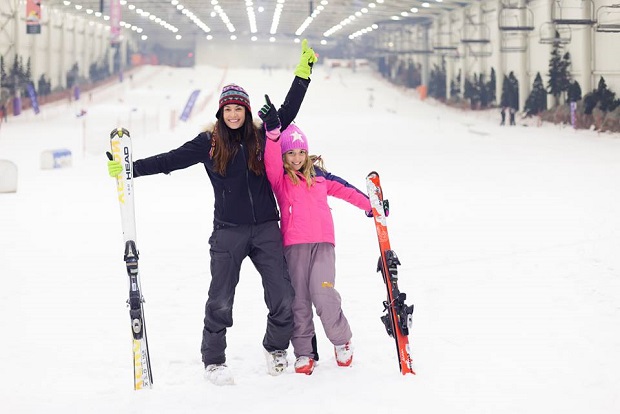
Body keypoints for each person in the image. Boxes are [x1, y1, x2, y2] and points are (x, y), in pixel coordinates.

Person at [107, 39, 318, 385]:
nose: (234, 114)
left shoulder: (261, 137)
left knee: (283, 294)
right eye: (228, 110)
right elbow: (170, 160)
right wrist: (131, 167)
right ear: (220, 113)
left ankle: (276, 346)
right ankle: (214, 359)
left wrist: (303, 75)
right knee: (221, 297)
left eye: (239, 109)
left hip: (266, 227)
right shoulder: (209, 143)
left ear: (247, 111)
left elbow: (288, 112)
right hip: (228, 231)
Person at [257, 107, 371, 375]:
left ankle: (342, 340)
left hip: (322, 245)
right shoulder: (280, 180)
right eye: (290, 153)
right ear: (284, 156)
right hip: (293, 246)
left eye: (300, 152)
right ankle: (304, 352)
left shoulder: (320, 176)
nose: (296, 158)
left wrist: (371, 206)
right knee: (299, 300)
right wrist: (272, 135)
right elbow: (271, 160)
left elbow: (346, 190)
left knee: (324, 294)